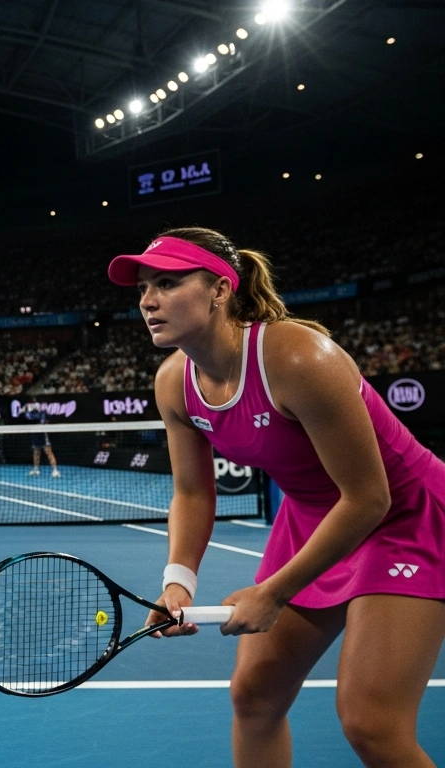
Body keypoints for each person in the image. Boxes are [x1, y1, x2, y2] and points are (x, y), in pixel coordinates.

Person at [109, 228, 445, 767]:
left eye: (167, 283)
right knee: (254, 697)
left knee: (372, 723)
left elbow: (368, 499)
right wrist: (178, 582)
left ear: (220, 289)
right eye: (144, 287)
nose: (148, 300)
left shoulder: (298, 358)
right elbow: (193, 492)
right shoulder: (174, 382)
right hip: (311, 517)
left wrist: (274, 592)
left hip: (404, 516)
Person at [24, 395, 59, 477]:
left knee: (48, 451)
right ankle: (36, 470)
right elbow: (28, 417)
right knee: (36, 451)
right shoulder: (30, 411)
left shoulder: (43, 412)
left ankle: (55, 470)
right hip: (35, 432)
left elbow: (44, 421)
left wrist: (44, 427)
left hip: (42, 433)